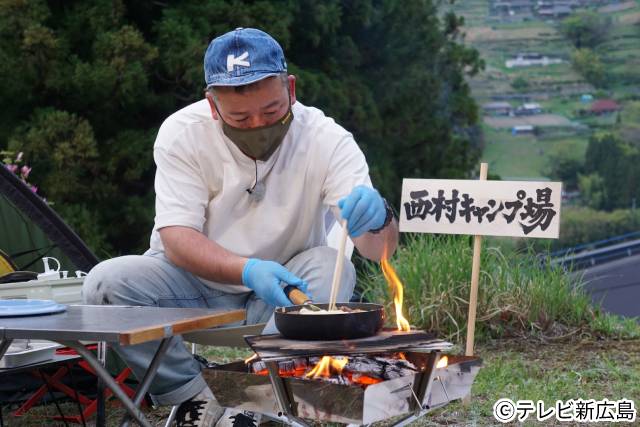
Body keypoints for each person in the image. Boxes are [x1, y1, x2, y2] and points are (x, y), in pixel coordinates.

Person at [82, 27, 399, 426]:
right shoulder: (182, 133)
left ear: (292, 89)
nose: (257, 126)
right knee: (104, 284)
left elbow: (378, 250)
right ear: (212, 106)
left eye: (271, 112)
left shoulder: (327, 140)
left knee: (331, 265)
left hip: (285, 293)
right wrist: (247, 268)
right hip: (192, 285)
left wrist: (380, 218)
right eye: (239, 117)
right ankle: (192, 391)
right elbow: (177, 240)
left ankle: (258, 393)